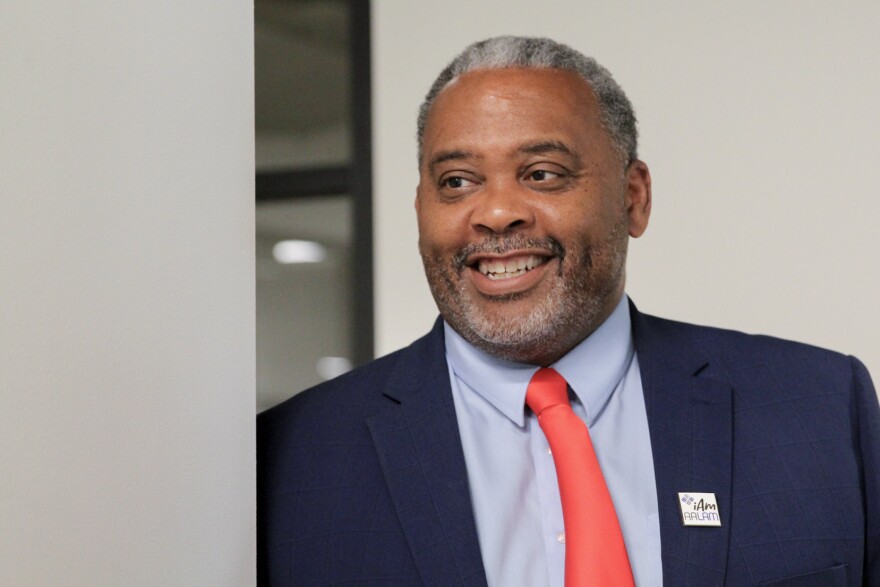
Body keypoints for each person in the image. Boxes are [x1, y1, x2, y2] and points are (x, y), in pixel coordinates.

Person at [257, 36, 879, 586]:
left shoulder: (822, 409)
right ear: (420, 207)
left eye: (542, 174)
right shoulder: (289, 459)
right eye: (457, 182)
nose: (497, 213)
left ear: (633, 198)